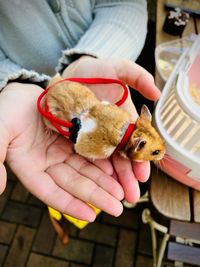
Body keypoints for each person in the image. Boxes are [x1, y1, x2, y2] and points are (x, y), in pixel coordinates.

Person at [0, 0, 160, 222]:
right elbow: (84, 143)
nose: (156, 156)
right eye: (153, 153)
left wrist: (91, 56)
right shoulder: (104, 147)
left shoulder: (121, 116)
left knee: (131, 180)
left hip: (106, 66)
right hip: (55, 99)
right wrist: (7, 83)